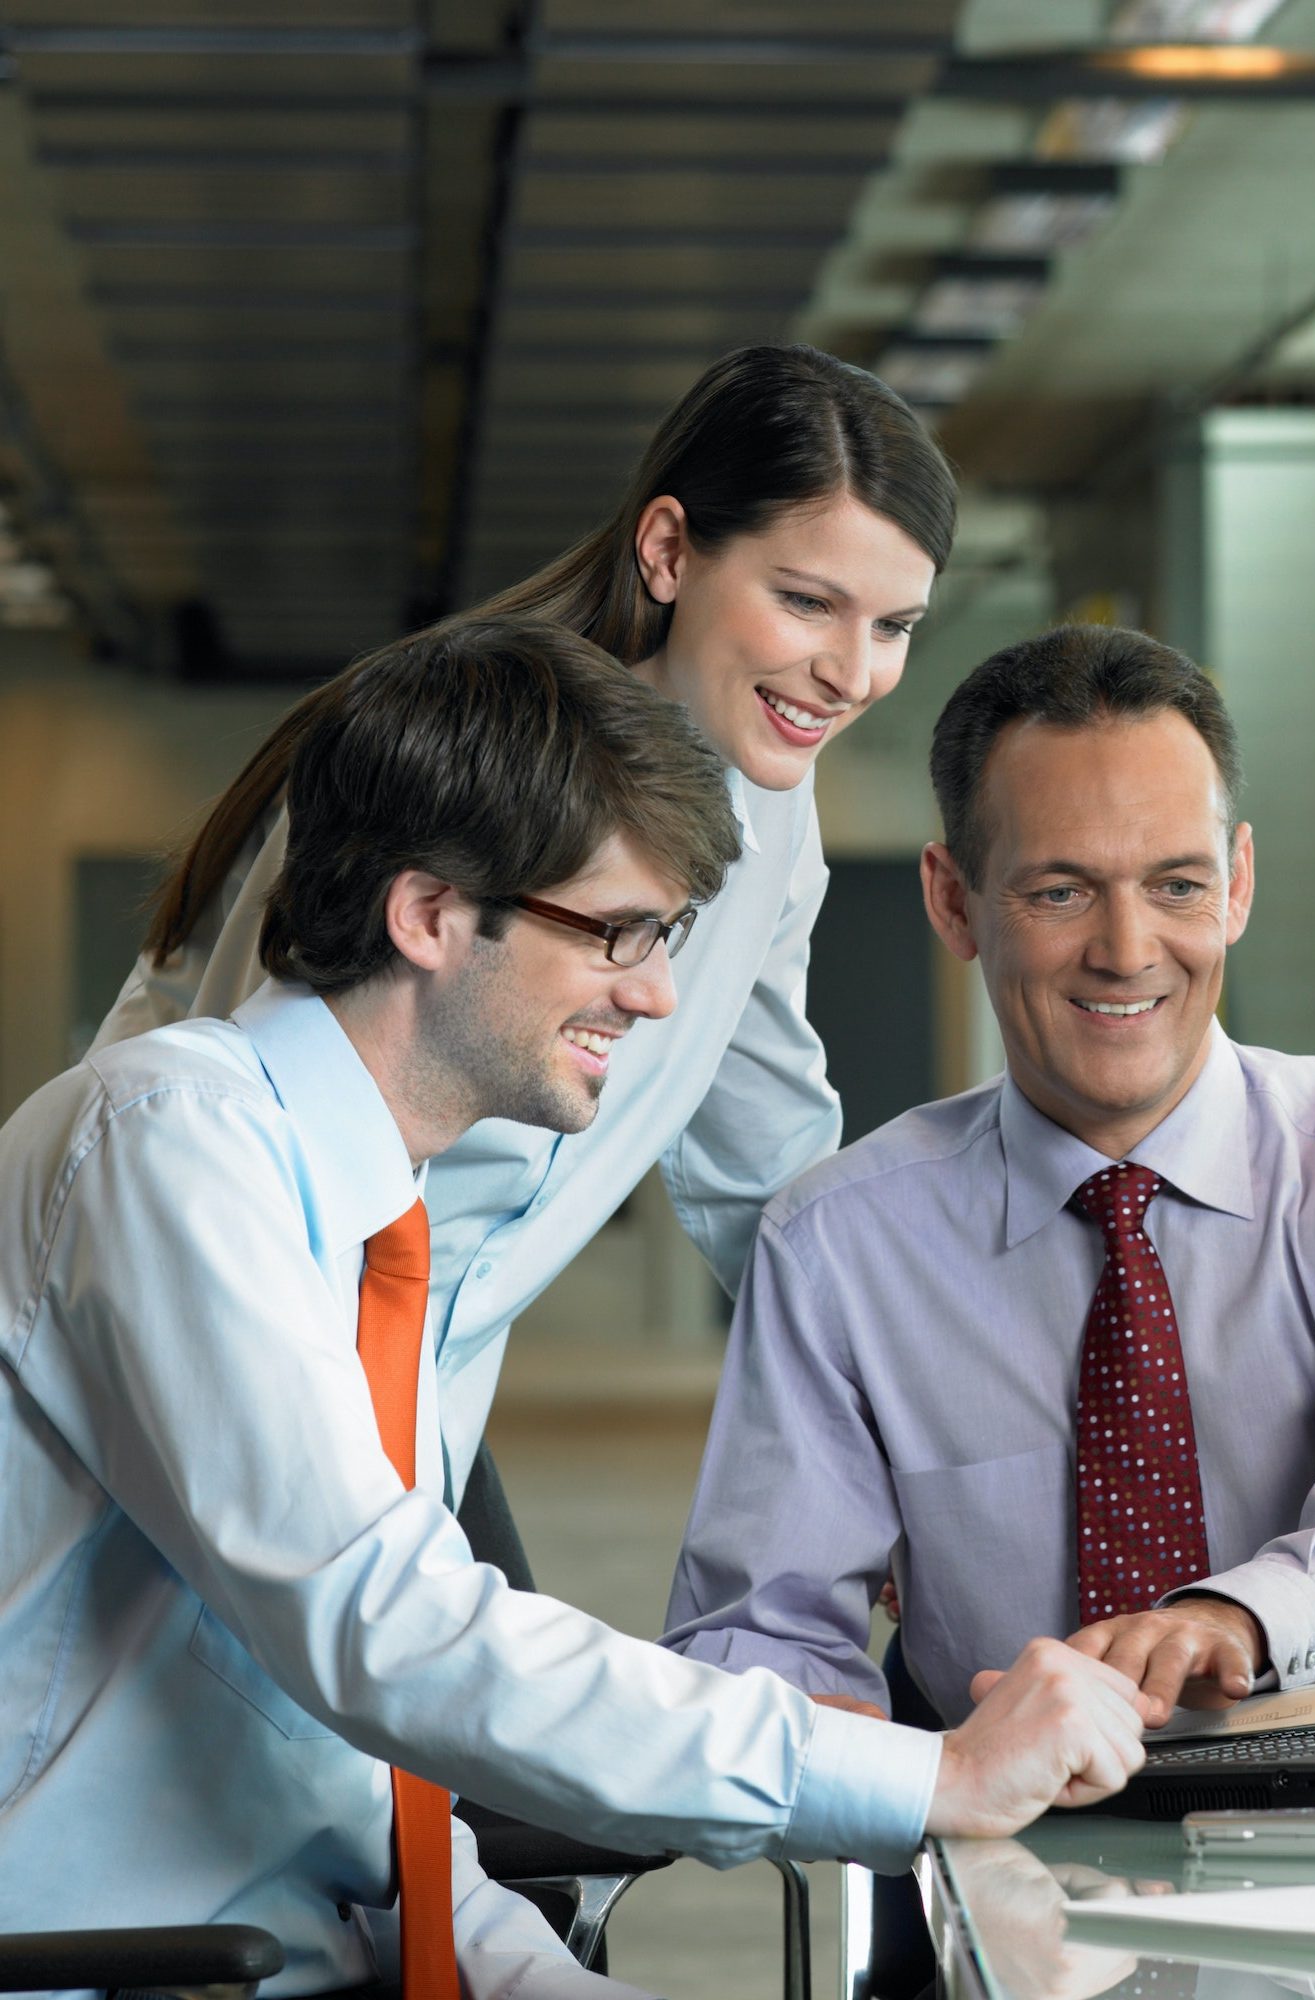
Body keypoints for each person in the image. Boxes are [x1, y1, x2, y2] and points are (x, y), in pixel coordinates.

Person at [0, 620, 1147, 1997]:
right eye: (614, 933)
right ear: (427, 916)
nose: (657, 994)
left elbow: (356, 1778)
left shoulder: (378, 1235)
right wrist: (928, 1776)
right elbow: (385, 1634)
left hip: (294, 1950)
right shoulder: (165, 1146)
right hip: (118, 1974)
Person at [95, 344, 951, 1499]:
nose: (851, 671)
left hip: (426, 1389)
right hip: (240, 1366)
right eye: (806, 601)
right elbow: (219, 1124)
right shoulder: (445, 758)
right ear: (667, 551)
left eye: (894, 627)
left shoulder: (771, 824)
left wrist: (898, 1433)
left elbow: (764, 1160)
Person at [664, 624, 1315, 1730]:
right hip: (1000, 1831)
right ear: (952, 901)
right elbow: (756, 1630)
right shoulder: (838, 1244)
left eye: (1176, 884)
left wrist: (1236, 1618)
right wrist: (888, 1770)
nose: (1127, 949)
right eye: (1061, 893)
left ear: (1239, 885)